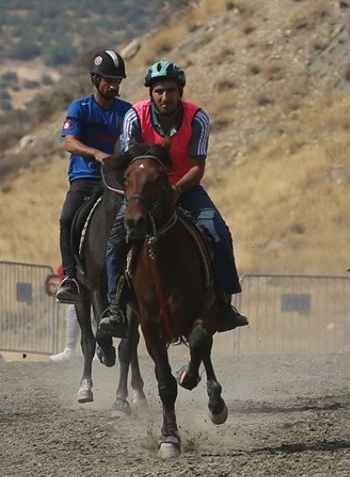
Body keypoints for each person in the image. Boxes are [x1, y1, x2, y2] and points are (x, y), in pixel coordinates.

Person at [98, 60, 249, 336]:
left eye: (170, 91)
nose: (164, 97)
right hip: (144, 192)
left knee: (218, 231)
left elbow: (197, 168)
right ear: (150, 93)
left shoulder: (197, 118)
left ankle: (225, 303)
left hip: (184, 188)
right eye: (158, 91)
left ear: (180, 92)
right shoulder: (135, 116)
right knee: (117, 238)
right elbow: (132, 163)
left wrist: (176, 191)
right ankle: (114, 307)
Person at [54, 50, 133, 304]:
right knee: (68, 219)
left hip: (117, 179)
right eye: (108, 80)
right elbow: (70, 143)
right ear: (95, 79)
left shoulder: (127, 111)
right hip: (85, 177)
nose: (113, 85)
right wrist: (96, 153)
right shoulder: (80, 108)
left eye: (117, 81)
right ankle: (70, 277)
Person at [45, 266, 78, 363]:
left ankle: (70, 349)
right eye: (55, 290)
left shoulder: (62, 270)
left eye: (53, 284)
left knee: (72, 310)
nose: (56, 286)